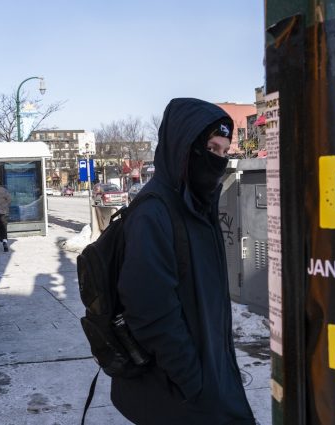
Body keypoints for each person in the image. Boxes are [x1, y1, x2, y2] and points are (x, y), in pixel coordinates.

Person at [110, 98, 255, 424]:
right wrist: (194, 383)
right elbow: (150, 311)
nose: (217, 159)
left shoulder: (199, 206)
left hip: (211, 378)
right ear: (184, 145)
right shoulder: (154, 212)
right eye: (210, 148)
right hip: (181, 393)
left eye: (223, 150)